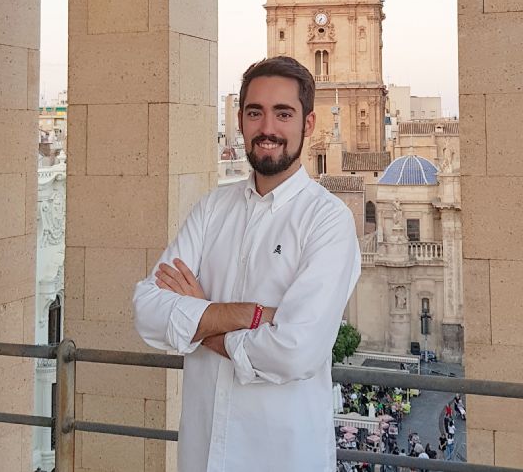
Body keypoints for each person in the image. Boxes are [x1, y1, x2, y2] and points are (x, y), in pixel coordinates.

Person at [133, 56, 361, 472]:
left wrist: (198, 323)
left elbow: (295, 351)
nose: (267, 128)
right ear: (239, 120)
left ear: (308, 124)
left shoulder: (329, 221)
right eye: (255, 113)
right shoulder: (211, 209)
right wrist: (246, 315)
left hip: (283, 458)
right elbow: (146, 308)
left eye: (283, 114)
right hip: (201, 456)